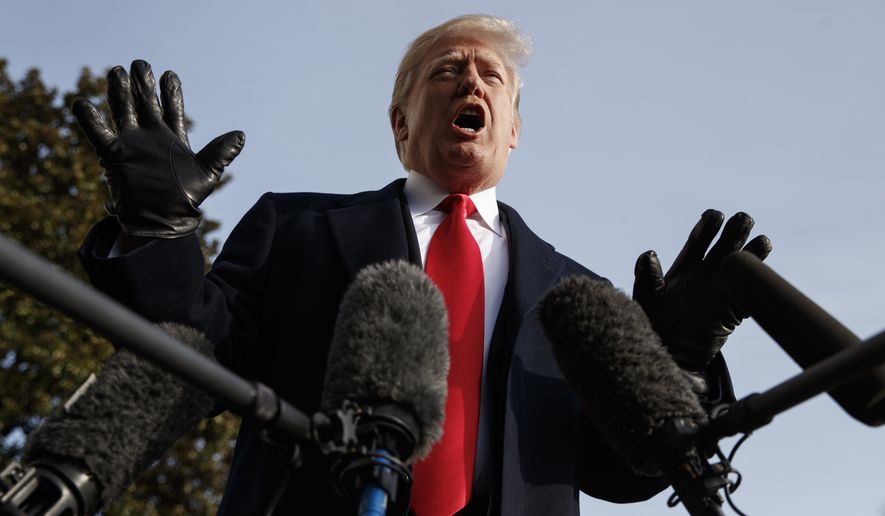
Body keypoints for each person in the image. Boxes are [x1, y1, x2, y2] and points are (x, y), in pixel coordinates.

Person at [73, 14, 771, 516]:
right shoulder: (298, 228)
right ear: (400, 124)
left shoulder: (577, 294)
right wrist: (159, 231)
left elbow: (615, 474)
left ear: (514, 128)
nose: (472, 80)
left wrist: (676, 363)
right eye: (446, 71)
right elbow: (188, 353)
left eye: (490, 76)